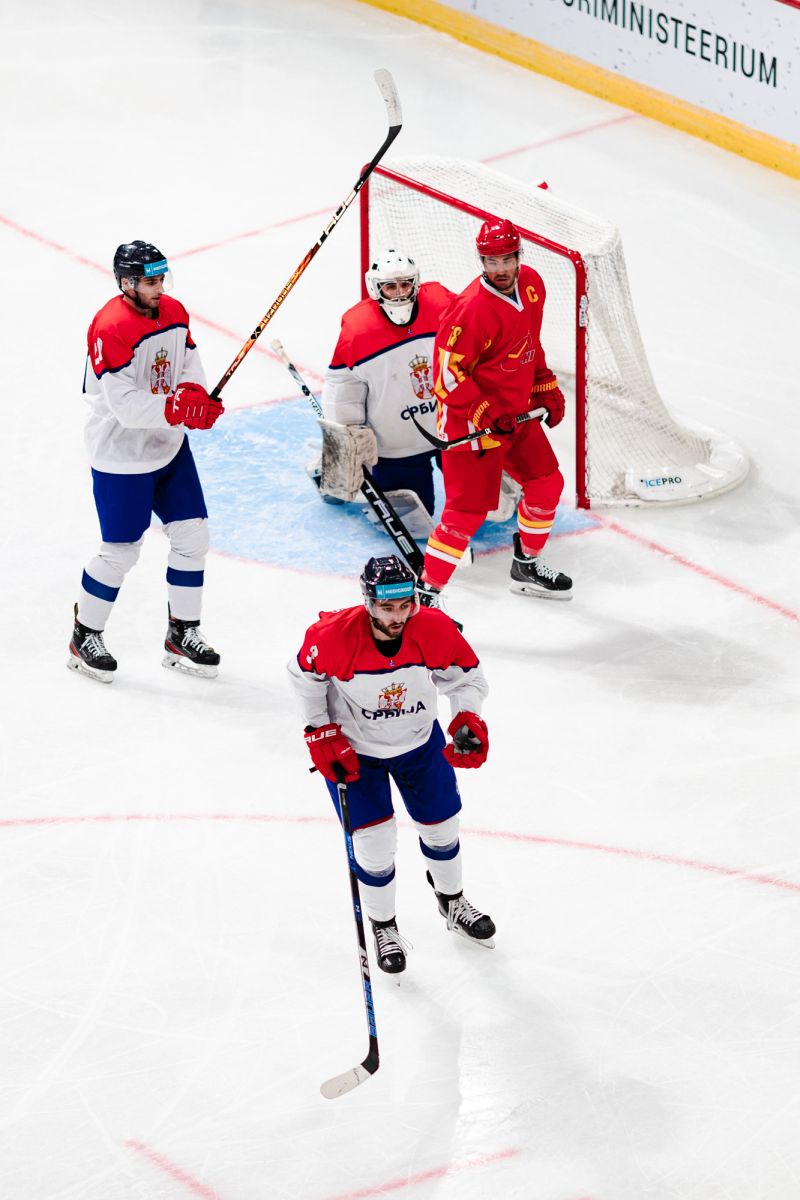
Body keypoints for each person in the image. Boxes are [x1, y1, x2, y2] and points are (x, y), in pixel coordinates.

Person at [287, 555, 495, 975]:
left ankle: (451, 902)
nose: (398, 616)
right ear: (368, 601)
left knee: (442, 828)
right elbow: (303, 676)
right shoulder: (331, 637)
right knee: (376, 845)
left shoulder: (434, 628)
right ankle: (384, 926)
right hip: (356, 753)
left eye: (405, 606)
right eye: (387, 607)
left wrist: (466, 717)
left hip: (419, 745)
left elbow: (467, 677)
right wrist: (319, 731)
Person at [68, 240, 223, 683]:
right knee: (120, 552)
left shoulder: (174, 311)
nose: (159, 288)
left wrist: (196, 396)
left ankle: (182, 632)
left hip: (168, 448)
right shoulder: (110, 327)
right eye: (150, 281)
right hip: (120, 455)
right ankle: (84, 635)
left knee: (193, 537)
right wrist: (176, 409)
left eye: (161, 279)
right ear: (127, 283)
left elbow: (189, 362)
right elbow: (125, 407)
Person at [418, 218, 573, 604]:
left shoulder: (533, 285)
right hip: (468, 424)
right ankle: (427, 594)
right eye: (491, 260)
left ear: (519, 256)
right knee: (464, 516)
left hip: (514, 416)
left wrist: (544, 385)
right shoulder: (469, 310)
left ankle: (526, 565)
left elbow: (528, 344)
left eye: (507, 259)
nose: (500, 269)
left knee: (546, 483)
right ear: (480, 261)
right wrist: (486, 413)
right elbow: (446, 378)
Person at [314, 249, 454, 536]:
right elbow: (344, 387)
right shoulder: (358, 330)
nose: (400, 293)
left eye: (405, 284)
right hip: (394, 446)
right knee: (412, 526)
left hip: (450, 432)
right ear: (376, 288)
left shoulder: (442, 305)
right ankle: (325, 471)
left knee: (488, 503)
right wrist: (348, 439)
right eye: (391, 286)